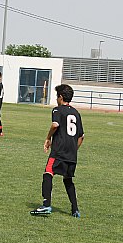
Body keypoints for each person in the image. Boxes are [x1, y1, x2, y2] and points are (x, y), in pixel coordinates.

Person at [31, 84, 85, 217]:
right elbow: (81, 136)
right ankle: (75, 209)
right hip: (71, 154)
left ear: (60, 97)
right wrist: (73, 150)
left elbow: (55, 125)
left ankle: (46, 205)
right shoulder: (76, 113)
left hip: (58, 151)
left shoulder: (57, 110)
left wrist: (48, 138)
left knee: (48, 173)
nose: (56, 99)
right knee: (68, 179)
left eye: (57, 96)